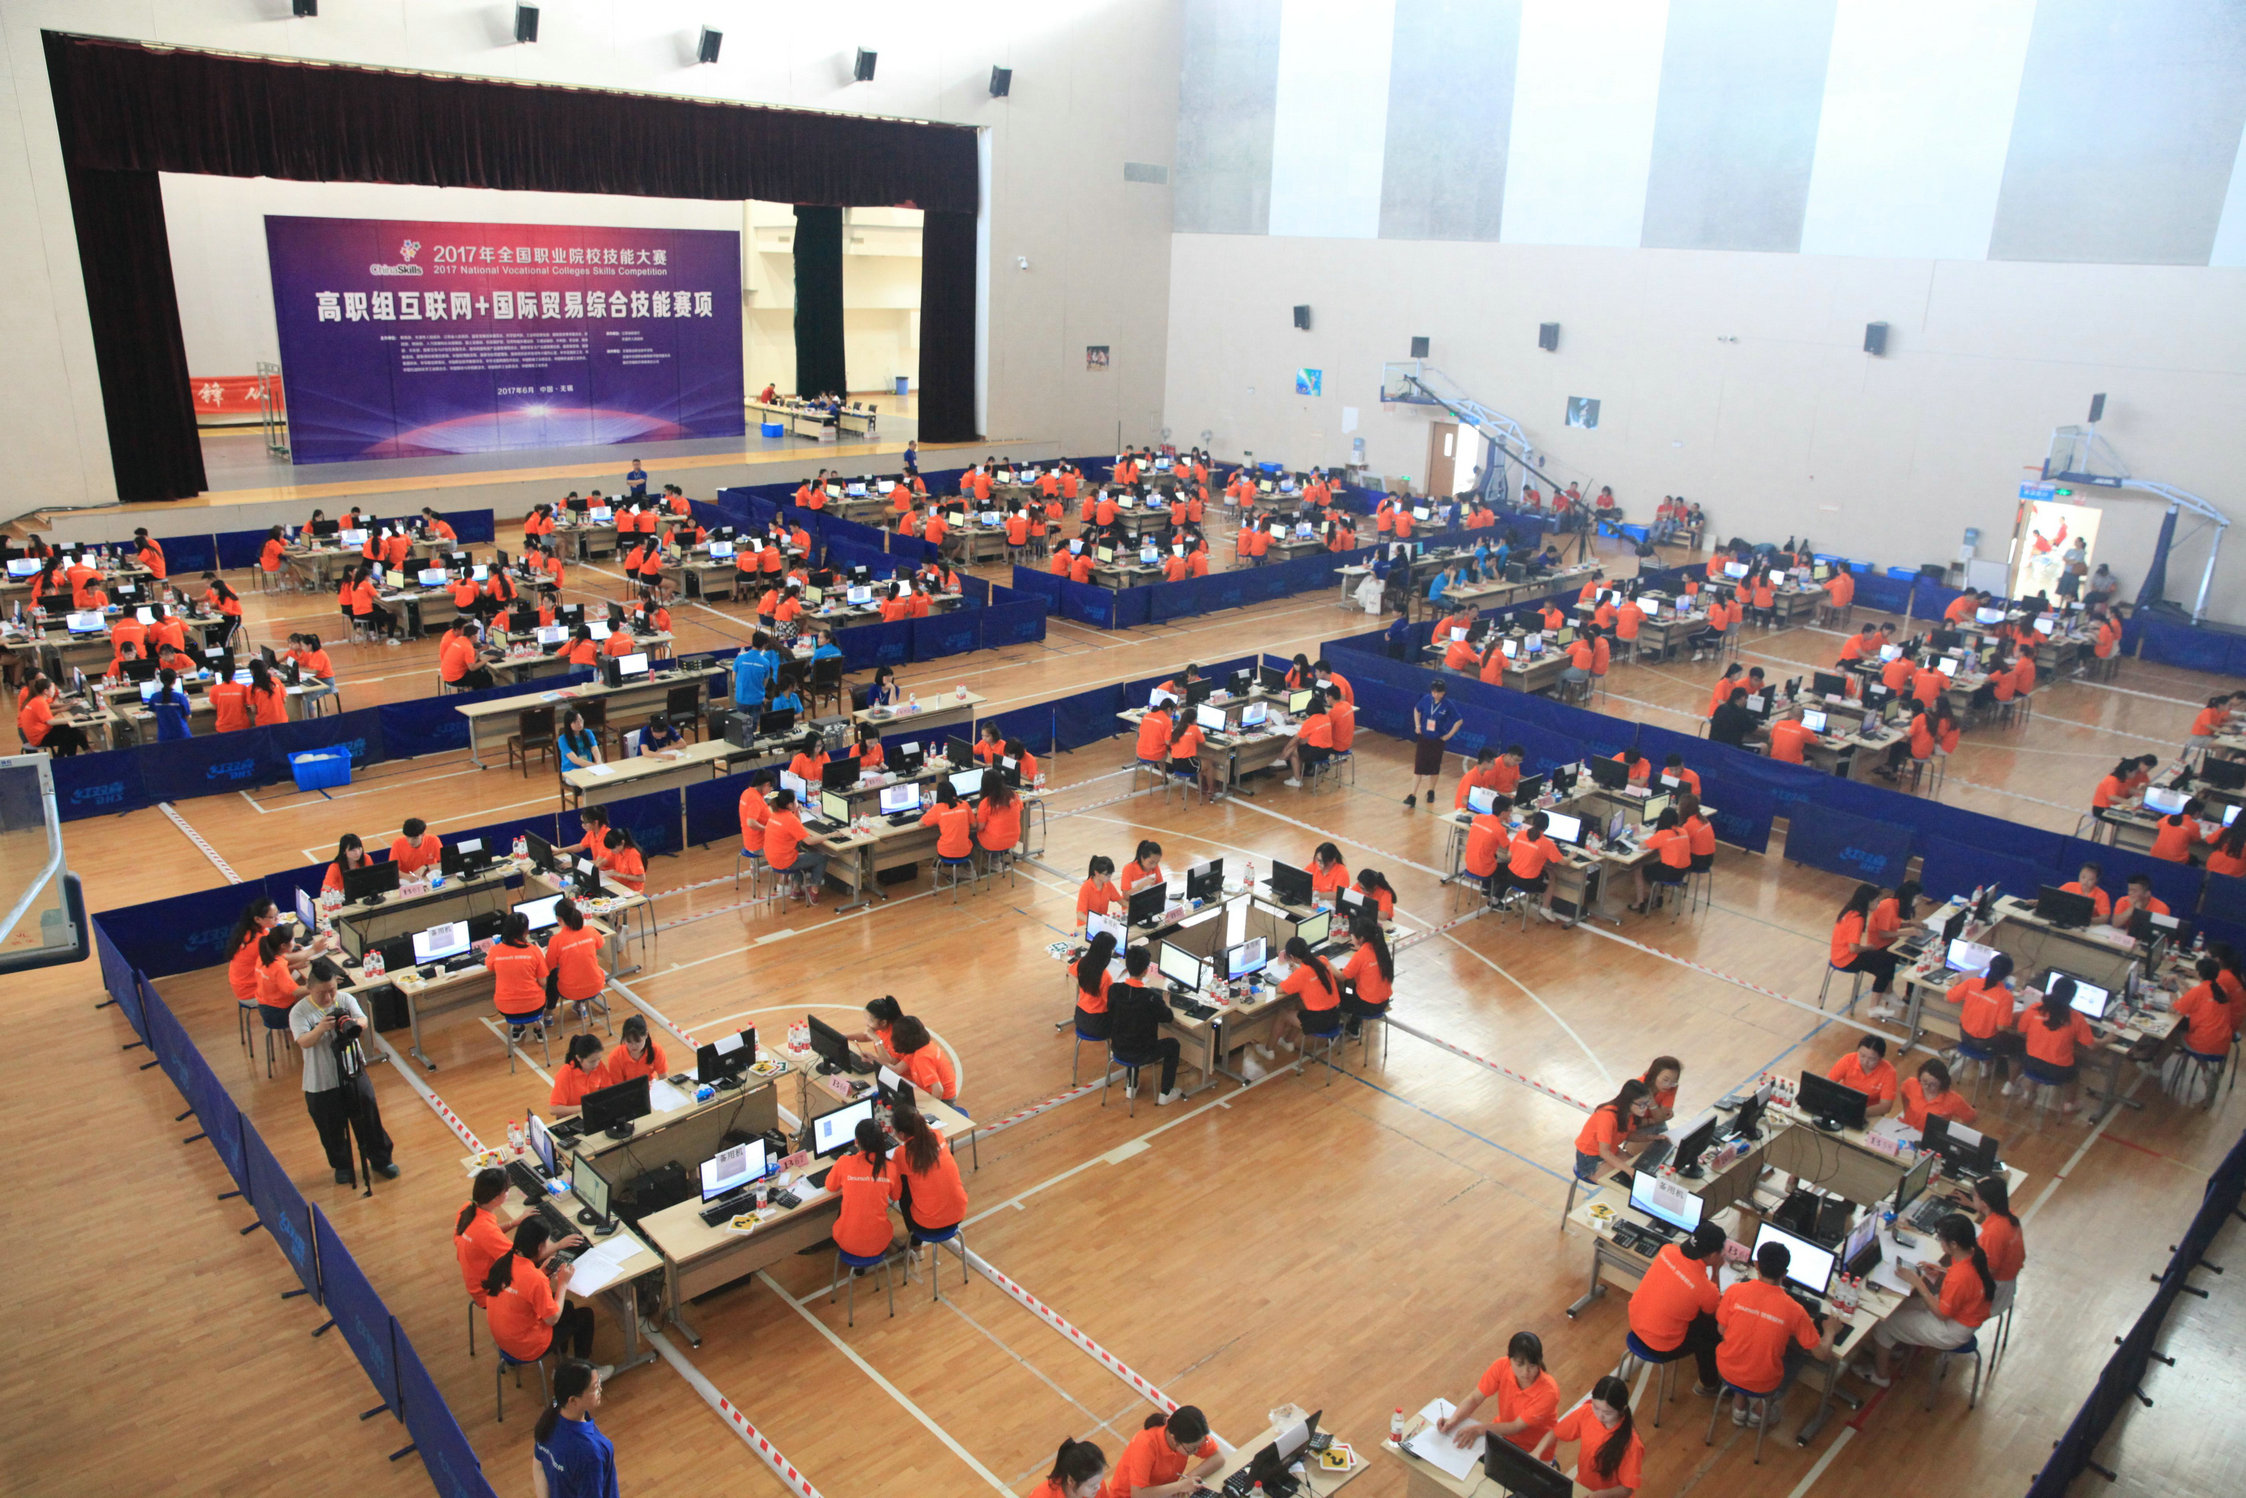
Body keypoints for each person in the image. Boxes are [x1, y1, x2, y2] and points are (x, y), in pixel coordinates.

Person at [291, 957, 397, 1184]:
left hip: (353, 1072)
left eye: (332, 990)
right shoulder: (299, 1012)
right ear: (309, 988)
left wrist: (354, 1023)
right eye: (322, 993)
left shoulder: (345, 999)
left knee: (368, 1117)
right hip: (321, 1079)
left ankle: (381, 1160)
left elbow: (363, 1020)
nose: (329, 997)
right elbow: (303, 1041)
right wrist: (320, 1028)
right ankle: (342, 1165)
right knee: (331, 1128)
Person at [1856, 1214, 1993, 1388]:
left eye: (1941, 1239)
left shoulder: (1960, 1277)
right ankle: (1891, 1345)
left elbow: (1942, 1314)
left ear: (1954, 1244)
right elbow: (1962, 1284)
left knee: (1885, 1322)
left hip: (1952, 1328)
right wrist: (1942, 1272)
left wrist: (1918, 1283)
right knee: (1897, 1309)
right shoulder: (1972, 1254)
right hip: (1961, 1315)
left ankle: (1880, 1375)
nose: (1940, 1242)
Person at [1717, 1238, 1840, 1427]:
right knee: (1798, 1354)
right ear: (1785, 1274)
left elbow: (1721, 1329)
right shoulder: (1795, 1310)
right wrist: (1830, 1331)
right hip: (1763, 1383)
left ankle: (1739, 1406)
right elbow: (1822, 1354)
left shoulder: (1735, 1291)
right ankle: (1759, 1412)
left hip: (1726, 1371)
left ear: (1757, 1265)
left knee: (1744, 1350)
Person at [484, 1219, 600, 1371]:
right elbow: (552, 1319)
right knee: (585, 1315)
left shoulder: (503, 1262)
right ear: (540, 1247)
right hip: (527, 1347)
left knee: (568, 1306)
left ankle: (561, 1357)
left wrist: (541, 1272)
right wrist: (563, 1283)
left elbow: (521, 1286)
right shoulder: (535, 1278)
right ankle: (583, 1371)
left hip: (504, 1339)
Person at [1626, 1221, 1726, 1393]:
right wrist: (1716, 1271)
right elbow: (1713, 1309)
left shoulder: (1667, 1250)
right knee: (1711, 1331)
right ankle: (1708, 1384)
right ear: (1712, 1256)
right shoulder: (1705, 1288)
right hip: (1661, 1346)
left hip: (1635, 1322)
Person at [1436, 1331, 1559, 1453]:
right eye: (1519, 1365)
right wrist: (1454, 1420)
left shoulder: (1548, 1392)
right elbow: (1475, 1398)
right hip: (1501, 1433)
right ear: (1509, 1358)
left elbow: (1516, 1427)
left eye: (1532, 1366)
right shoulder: (1501, 1366)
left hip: (1533, 1450)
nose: (1525, 1372)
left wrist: (1478, 1430)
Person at [1532, 1375, 1643, 1498]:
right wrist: (1537, 1452)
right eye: (1596, 1407)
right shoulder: (1587, 1413)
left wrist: (1602, 1494)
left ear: (1623, 1409)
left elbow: (1627, 1489)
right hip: (1583, 1487)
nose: (1600, 1416)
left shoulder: (1632, 1445)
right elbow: (1555, 1432)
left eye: (1607, 1413)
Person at [2007, 976, 2103, 1113]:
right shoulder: (2076, 1018)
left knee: (2035, 1057)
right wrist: (2107, 1039)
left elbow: (2021, 1031)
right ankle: (2070, 1103)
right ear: (2072, 997)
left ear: (2052, 990)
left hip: (2030, 1064)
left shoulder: (2035, 1009)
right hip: (2058, 1071)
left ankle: (2029, 1092)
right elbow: (2091, 1046)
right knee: (2076, 1066)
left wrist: (2038, 1038)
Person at [1108, 946, 1184, 1103]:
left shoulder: (1114, 990)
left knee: (1130, 1031)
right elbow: (1167, 1017)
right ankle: (1165, 1093)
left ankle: (1131, 1085)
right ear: (1145, 970)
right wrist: (1167, 1003)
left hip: (1118, 1048)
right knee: (1173, 1045)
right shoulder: (1151, 997)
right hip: (1143, 1052)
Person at [889, 1104, 967, 1255]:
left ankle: (916, 1245)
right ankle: (916, 1245)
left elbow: (895, 1195)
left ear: (901, 1135)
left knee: (905, 1191)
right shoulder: (938, 1135)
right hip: (958, 1213)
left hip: (929, 1224)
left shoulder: (902, 1153)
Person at [532, 1360, 617, 1498]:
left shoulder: (549, 1419)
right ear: (573, 1400)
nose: (600, 1389)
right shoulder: (590, 1454)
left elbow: (539, 1466)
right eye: (595, 1387)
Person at [825, 1116, 902, 1264]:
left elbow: (830, 1186)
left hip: (846, 1241)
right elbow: (896, 1195)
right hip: (879, 1242)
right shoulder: (890, 1167)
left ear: (856, 1141)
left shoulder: (844, 1162)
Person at [1103, 1407, 1220, 1498]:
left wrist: (1188, 1478)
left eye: (1199, 1446)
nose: (1197, 1451)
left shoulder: (1191, 1433)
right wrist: (1179, 1486)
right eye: (1192, 1449)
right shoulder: (1145, 1445)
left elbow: (1218, 1457)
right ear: (1174, 1439)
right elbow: (1138, 1494)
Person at [1269, 936, 1343, 1057]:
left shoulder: (1301, 973)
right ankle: (1288, 1042)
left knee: (1283, 1013)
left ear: (1292, 957)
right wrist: (1297, 973)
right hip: (1335, 1016)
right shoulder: (1323, 960)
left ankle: (1268, 1050)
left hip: (1321, 1022)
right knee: (1300, 1006)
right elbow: (1311, 976)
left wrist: (1296, 975)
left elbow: (1279, 989)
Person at [1829, 883, 1898, 997]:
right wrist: (1868, 947)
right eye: (1876, 900)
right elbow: (1853, 948)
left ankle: (1887, 993)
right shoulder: (1857, 919)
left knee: (1887, 959)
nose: (1878, 903)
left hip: (1838, 954)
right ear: (1868, 901)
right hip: (1847, 960)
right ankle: (1878, 1001)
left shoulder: (1849, 910)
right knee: (1886, 965)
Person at [1575, 1078, 1652, 1180]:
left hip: (1611, 1151)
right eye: (1641, 1104)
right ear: (1628, 1102)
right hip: (1590, 1158)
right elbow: (1604, 1152)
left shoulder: (1630, 1113)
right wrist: (1629, 1170)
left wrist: (1651, 1138)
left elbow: (1627, 1135)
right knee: (1627, 1180)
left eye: (1647, 1103)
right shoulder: (1607, 1116)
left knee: (1640, 1169)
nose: (1645, 1108)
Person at [486, 912, 551, 1033]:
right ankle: (539, 1030)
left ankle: (517, 1029)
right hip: (534, 1005)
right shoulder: (534, 951)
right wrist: (541, 957)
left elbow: (490, 967)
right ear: (526, 931)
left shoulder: (494, 950)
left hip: (506, 1007)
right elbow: (542, 982)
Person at [1971, 1176, 2026, 1316]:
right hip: (2007, 1283)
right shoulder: (2008, 1216)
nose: (1971, 1197)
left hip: (1994, 1293)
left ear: (1985, 1203)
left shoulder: (1992, 1233)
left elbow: (1988, 1270)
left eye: (1973, 1194)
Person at [1405, 678, 1462, 809]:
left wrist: (1449, 735)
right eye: (1433, 691)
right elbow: (1417, 709)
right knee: (1418, 768)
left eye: (1438, 692)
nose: (1435, 694)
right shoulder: (1426, 699)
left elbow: (1459, 720)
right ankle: (1412, 795)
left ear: (1443, 693)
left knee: (1434, 768)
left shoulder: (1448, 705)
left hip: (1437, 740)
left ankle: (1431, 791)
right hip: (1424, 738)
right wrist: (1417, 725)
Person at [762, 787, 827, 903]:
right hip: (785, 862)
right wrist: (829, 835)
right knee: (822, 857)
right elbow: (809, 841)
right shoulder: (790, 819)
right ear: (790, 805)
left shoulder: (775, 814)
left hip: (772, 859)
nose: (798, 802)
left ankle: (796, 889)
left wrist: (796, 811)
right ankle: (814, 890)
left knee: (799, 850)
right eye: (796, 800)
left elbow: (797, 828)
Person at [1336, 913, 1393, 1038]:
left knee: (1334, 995)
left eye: (1352, 936)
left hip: (1368, 1006)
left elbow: (1341, 977)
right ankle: (1353, 1028)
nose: (1351, 938)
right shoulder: (1380, 948)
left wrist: (1326, 964)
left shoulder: (1361, 955)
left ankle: (1334, 1031)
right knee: (1355, 985)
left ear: (1360, 938)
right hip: (1384, 1002)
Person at [1826, 1033, 1899, 1119]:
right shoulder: (1848, 1060)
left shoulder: (1889, 1073)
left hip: (1869, 1112)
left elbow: (1885, 1106)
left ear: (1881, 1058)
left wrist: (1858, 1113)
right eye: (1862, 1055)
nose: (1865, 1061)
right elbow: (1827, 1084)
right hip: (1844, 1102)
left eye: (1872, 1059)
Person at [889, 1015, 959, 1101]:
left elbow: (938, 1091)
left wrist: (931, 1107)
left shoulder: (922, 1058)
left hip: (943, 1099)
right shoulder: (920, 1047)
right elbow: (897, 1069)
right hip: (931, 1092)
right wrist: (874, 1059)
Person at [1073, 930, 1118, 1040]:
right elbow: (1110, 1003)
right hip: (1098, 1023)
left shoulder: (1082, 963)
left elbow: (1071, 970)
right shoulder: (1105, 977)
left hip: (1080, 1017)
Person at [599, 1015, 667, 1087]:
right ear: (624, 1038)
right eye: (629, 1042)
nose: (634, 1046)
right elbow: (618, 1088)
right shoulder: (615, 1057)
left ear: (646, 1035)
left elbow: (664, 1079)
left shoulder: (656, 1050)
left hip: (650, 1087)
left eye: (638, 1041)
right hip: (628, 1090)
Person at [549, 1034, 607, 1114]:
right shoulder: (566, 1073)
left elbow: (608, 1091)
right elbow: (554, 1109)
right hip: (573, 1117)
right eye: (592, 1061)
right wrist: (585, 1108)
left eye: (599, 1059)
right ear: (579, 1058)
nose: (597, 1064)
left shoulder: (599, 1065)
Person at [1030, 1438, 1107, 1498]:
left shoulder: (1095, 1483)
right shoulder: (1041, 1496)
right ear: (1071, 1481)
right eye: (1091, 1486)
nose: (1099, 1487)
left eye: (1099, 1481)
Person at [846, 995, 906, 1067]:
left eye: (870, 1020)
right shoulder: (880, 1028)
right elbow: (866, 1036)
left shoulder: (898, 1037)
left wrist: (877, 1040)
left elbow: (891, 1064)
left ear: (883, 1022)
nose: (867, 1023)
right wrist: (844, 1037)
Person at [1076, 855, 1122, 928]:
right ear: (1097, 873)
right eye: (1107, 875)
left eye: (1110, 874)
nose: (1109, 878)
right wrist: (1094, 923)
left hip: (1101, 925)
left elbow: (1120, 900)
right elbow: (1080, 914)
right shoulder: (1086, 887)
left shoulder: (1108, 884)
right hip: (1086, 926)